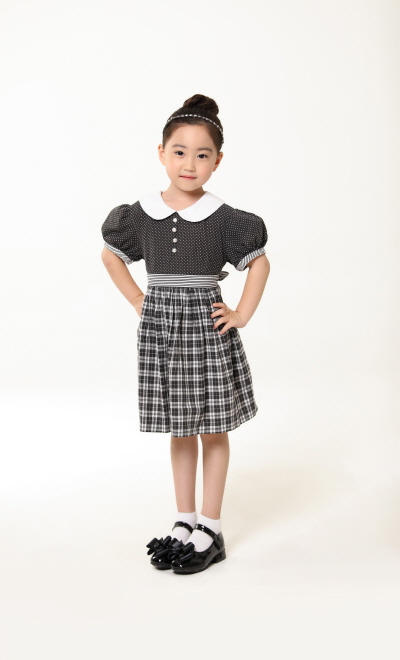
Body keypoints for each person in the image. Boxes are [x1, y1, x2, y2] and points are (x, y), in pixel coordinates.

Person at [100, 94, 270, 574]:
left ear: (218, 161)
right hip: (163, 331)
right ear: (161, 153)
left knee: (212, 427)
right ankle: (184, 520)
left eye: (202, 155)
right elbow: (110, 255)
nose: (189, 164)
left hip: (206, 329)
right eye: (179, 152)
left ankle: (211, 527)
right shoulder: (139, 214)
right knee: (180, 428)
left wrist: (241, 313)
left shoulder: (225, 218)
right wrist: (139, 299)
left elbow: (259, 264)